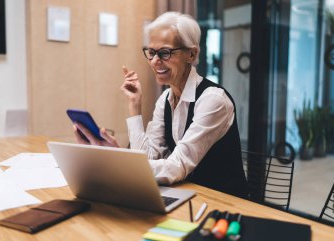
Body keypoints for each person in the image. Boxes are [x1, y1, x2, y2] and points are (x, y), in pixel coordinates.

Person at [74, 11, 248, 198]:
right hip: (190, 195)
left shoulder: (214, 100)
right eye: (151, 52)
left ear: (191, 54)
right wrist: (135, 105)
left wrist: (123, 163)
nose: (155, 61)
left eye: (165, 53)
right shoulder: (165, 99)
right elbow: (149, 158)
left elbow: (177, 166)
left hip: (226, 204)